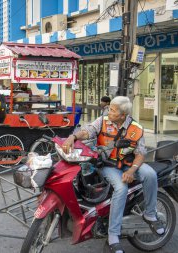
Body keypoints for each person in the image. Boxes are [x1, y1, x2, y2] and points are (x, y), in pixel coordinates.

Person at [62, 96, 164, 253]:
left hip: (129, 163)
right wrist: (72, 136)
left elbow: (141, 154)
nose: (109, 111)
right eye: (109, 109)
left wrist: (131, 171)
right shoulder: (103, 120)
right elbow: (87, 131)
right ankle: (113, 235)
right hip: (108, 165)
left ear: (123, 115)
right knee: (121, 188)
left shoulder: (136, 128)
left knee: (150, 174)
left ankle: (150, 214)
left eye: (113, 110)